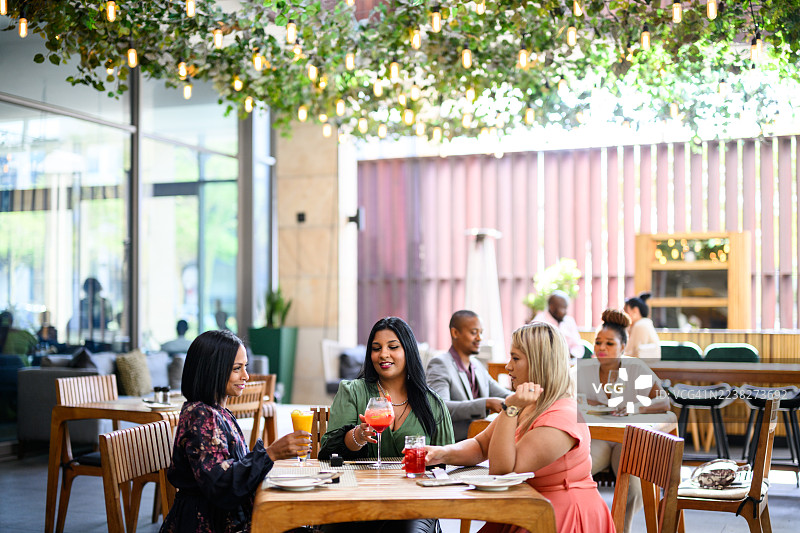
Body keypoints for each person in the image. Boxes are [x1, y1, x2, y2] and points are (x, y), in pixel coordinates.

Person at [424, 322, 614, 533]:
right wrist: (442, 453)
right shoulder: (529, 404)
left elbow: (503, 471)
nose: (508, 366)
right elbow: (481, 445)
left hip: (560, 517)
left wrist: (510, 409)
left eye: (515, 358)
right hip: (527, 507)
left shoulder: (562, 416)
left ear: (538, 362)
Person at [160, 329, 311, 533]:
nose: (246, 376)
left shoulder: (216, 412)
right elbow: (220, 485)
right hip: (208, 525)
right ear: (213, 370)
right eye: (237, 369)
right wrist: (270, 453)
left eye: (245, 367)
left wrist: (269, 456)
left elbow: (231, 469)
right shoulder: (201, 415)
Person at [319, 316, 454, 533]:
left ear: (408, 351)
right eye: (376, 348)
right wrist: (357, 436)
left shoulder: (432, 403)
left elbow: (446, 462)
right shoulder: (352, 391)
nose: (383, 354)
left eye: (393, 347)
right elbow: (328, 452)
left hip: (412, 503)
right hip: (355, 497)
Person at [577, 309, 670, 533]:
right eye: (598, 342)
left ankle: (620, 528)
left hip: (629, 441)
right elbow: (564, 398)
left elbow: (664, 402)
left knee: (634, 489)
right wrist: (583, 401)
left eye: (609, 343)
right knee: (573, 473)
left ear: (623, 347)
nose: (601, 347)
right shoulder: (582, 370)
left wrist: (636, 407)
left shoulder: (636, 368)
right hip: (596, 439)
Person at [425, 310, 511, 441]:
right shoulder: (440, 364)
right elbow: (440, 408)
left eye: (481, 333)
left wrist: (523, 398)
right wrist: (486, 403)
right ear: (455, 333)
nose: (479, 338)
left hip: (478, 439)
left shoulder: (477, 365)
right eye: (474, 332)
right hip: (453, 443)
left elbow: (503, 394)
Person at [531, 290, 584, 359]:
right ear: (552, 307)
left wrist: (571, 354)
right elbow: (537, 350)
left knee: (591, 364)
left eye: (566, 308)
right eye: (563, 308)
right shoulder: (538, 322)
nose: (565, 312)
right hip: (548, 362)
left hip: (570, 361)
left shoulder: (569, 321)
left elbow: (578, 346)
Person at [623, 292, 661, 358]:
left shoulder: (641, 325)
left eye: (626, 311)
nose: (624, 314)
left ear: (635, 310)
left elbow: (631, 353)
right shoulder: (643, 323)